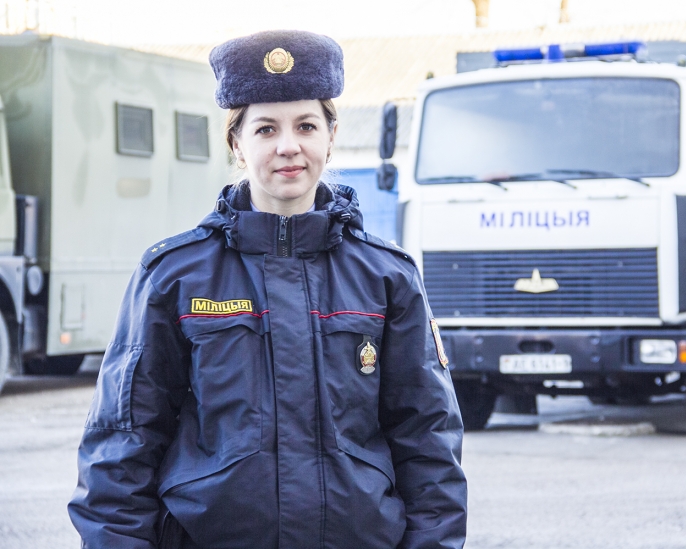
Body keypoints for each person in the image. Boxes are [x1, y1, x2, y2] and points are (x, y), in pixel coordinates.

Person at [68, 30, 467, 549]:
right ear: (236, 141)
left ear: (330, 135)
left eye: (305, 125)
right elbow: (123, 443)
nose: (288, 146)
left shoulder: (386, 277)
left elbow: (427, 442)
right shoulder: (175, 275)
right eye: (265, 129)